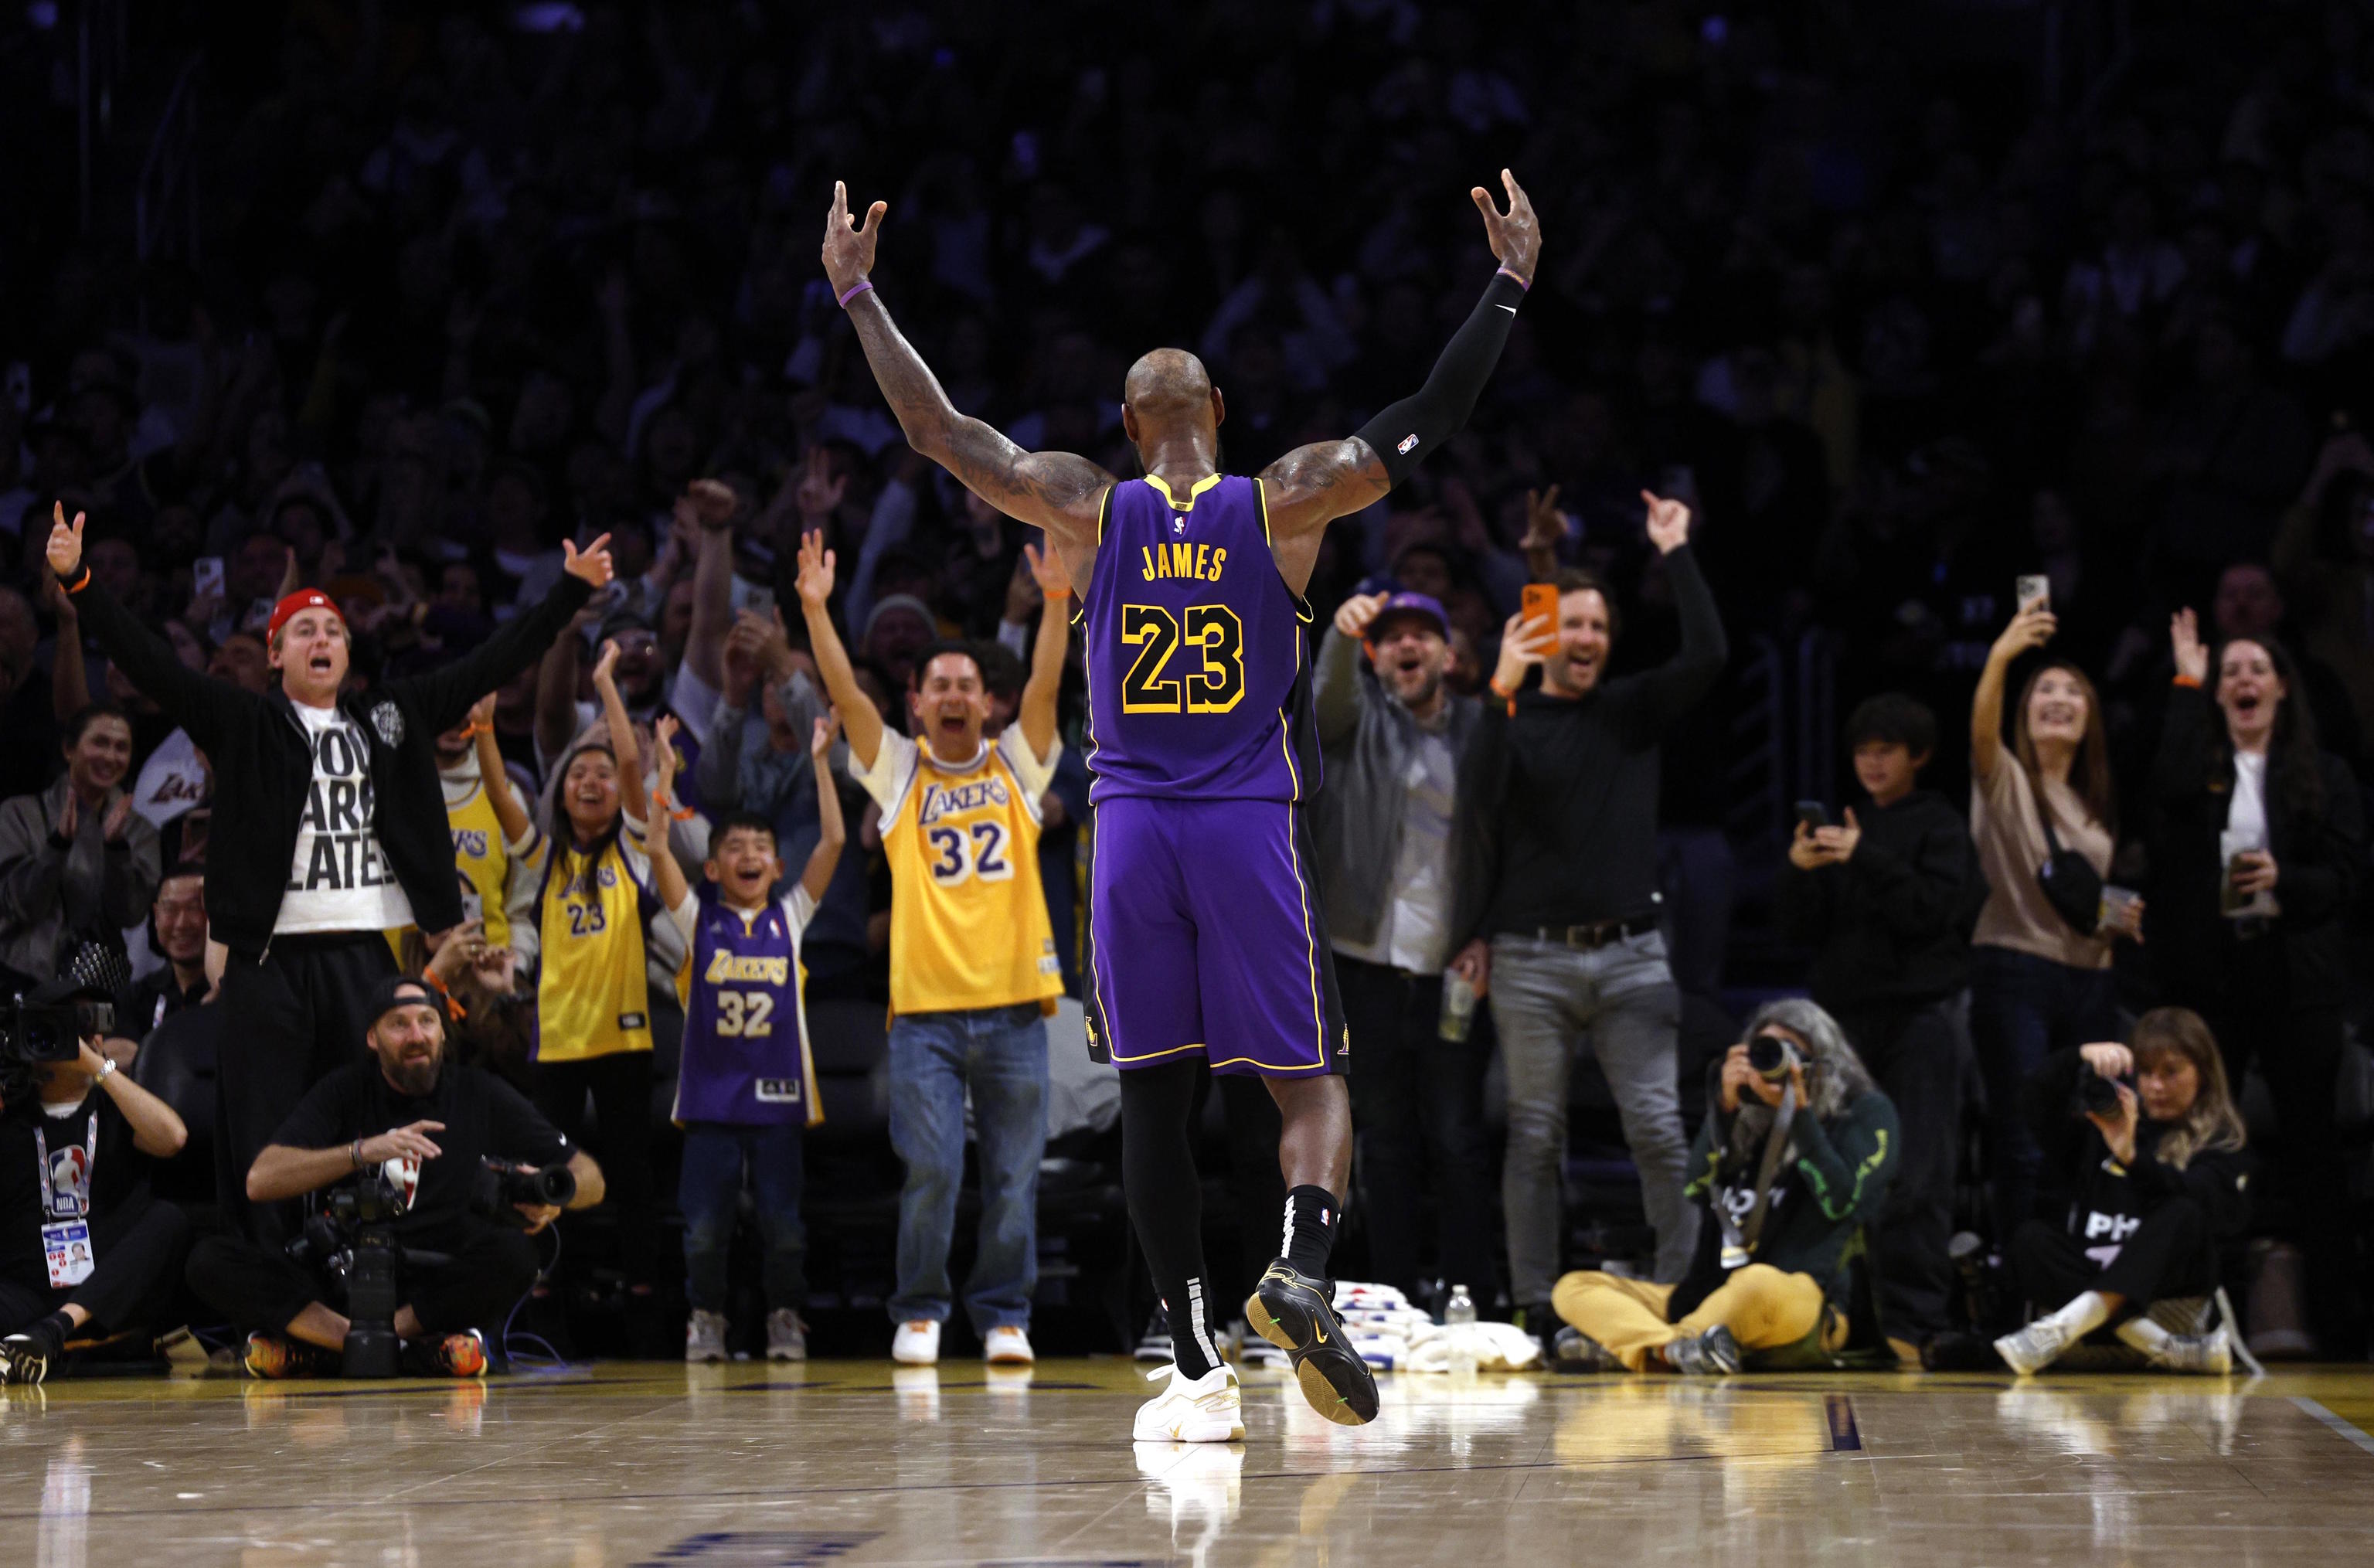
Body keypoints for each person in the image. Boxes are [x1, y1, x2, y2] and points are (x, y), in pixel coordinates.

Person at [821, 166, 1539, 1440]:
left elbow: (936, 430)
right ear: (1219, 408)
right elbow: (1429, 412)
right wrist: (1506, 284)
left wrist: (860, 292)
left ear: (1126, 420)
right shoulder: (1289, 496)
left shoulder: (1083, 503)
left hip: (1131, 832)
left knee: (1154, 1092)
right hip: (1248, 822)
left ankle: (1194, 1358)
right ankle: (1302, 1266)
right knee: (1310, 1085)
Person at [43, 504, 614, 1243]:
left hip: (362, 956)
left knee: (380, 1123)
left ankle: (382, 1279)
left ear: (348, 656)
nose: (322, 637)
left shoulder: (391, 715)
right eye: (303, 630)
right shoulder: (243, 720)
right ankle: (276, 1300)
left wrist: (569, 592)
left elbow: (494, 661)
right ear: (274, 656)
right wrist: (80, 582)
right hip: (267, 959)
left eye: (334, 630)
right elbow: (152, 661)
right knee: (266, 1135)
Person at [794, 530, 1067, 1368]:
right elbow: (844, 690)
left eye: (966, 686)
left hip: (1019, 1010)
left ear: (988, 702)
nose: (952, 696)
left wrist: (1056, 604)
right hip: (924, 1019)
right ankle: (919, 1308)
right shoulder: (901, 771)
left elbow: (1049, 687)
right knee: (934, 1175)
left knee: (1017, 1181)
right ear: (917, 702)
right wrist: (814, 606)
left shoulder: (1021, 764)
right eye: (938, 685)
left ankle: (1004, 1313)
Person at [1454, 512, 1728, 1335]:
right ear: (1542, 633)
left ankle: (1680, 1295)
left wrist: (1676, 551)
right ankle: (1537, 1302)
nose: (1588, 636)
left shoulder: (1630, 711)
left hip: (1633, 957)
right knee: (1534, 1135)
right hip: (1531, 961)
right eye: (1572, 622)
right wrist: (1501, 687)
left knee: (1656, 1129)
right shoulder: (1508, 719)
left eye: (1599, 625)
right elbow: (1475, 802)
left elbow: (1709, 655)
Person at [185, 974, 605, 1378]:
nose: (416, 1035)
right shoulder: (344, 1090)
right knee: (210, 1260)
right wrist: (361, 1151)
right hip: (345, 1280)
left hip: (435, 1290)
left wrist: (553, 1201)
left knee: (516, 1254)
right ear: (373, 1038)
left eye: (427, 1021)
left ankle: (348, 1349)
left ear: (443, 1032)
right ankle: (386, 1349)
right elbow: (261, 1180)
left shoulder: (479, 1091)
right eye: (399, 1025)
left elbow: (590, 1178)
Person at [2144, 611, 2365, 1356]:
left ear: (2280, 689)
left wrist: (2286, 879)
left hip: (2297, 980)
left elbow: (2348, 877)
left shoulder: (2324, 773)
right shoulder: (2200, 768)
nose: (2242, 680)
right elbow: (2164, 784)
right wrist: (2184, 676)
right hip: (2217, 982)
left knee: (2313, 1151)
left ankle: (2336, 1324)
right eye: (2229, 671)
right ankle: (2198, 1320)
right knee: (2208, 1146)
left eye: (2255, 670)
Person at [1774, 692, 1979, 1352]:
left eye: (1886, 749)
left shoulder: (1939, 823)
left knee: (1918, 1169)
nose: (1871, 761)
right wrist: (1800, 873)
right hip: (1845, 1024)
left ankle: (1913, 1321)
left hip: (1920, 1016)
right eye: (1863, 750)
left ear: (1917, 755)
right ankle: (1838, 1311)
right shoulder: (1841, 827)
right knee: (1834, 1168)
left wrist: (1866, 857)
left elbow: (1937, 912)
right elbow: (1802, 932)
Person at [1312, 588, 1495, 1307]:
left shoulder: (1481, 731)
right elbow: (1327, 700)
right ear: (1374, 655)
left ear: (1450, 656)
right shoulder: (1356, 721)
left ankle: (1469, 1293)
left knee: (1457, 1137)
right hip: (1368, 961)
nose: (1407, 646)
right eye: (1392, 637)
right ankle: (1392, 1298)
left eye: (1424, 635)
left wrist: (1488, 932)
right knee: (1383, 1140)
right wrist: (1337, 632)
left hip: (1454, 963)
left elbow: (1507, 840)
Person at [1552, 1000, 1900, 1375]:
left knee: (1755, 1283)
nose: (1774, 1065)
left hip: (1800, 1301)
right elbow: (1695, 1188)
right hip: (1708, 1296)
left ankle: (1643, 1343)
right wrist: (1724, 1110)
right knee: (1574, 1287)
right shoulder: (1746, 1119)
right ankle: (1674, 1349)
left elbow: (1841, 1200)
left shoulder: (1862, 1114)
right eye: (1762, 1053)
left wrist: (1798, 1115)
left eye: (1790, 1052)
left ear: (1823, 1061)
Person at [648, 715, 845, 1364]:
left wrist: (820, 761)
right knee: (705, 1233)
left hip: (779, 1104)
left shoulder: (790, 916)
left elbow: (835, 840)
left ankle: (784, 1316)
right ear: (713, 864)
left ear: (777, 863)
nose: (750, 855)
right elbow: (655, 854)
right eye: (735, 846)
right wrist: (665, 780)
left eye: (761, 846)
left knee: (783, 1230)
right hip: (709, 1105)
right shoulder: (697, 920)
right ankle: (706, 1316)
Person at [1967, 601, 2140, 1241]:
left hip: (2092, 979)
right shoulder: (2005, 777)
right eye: (2045, 690)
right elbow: (1982, 728)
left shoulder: (2094, 802)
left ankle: (2070, 1290)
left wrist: (2117, 919)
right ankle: (2020, 1300)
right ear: (2024, 708)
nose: (2059, 699)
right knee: (2023, 1142)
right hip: (2015, 972)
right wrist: (2004, 653)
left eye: (2073, 691)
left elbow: (2084, 898)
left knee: (2083, 1140)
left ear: (2092, 714)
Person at [510, 641, 675, 1308]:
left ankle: (643, 1286)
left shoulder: (636, 849)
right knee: (552, 1171)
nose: (590, 781)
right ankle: (548, 1282)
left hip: (624, 1036)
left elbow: (633, 760)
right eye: (578, 771)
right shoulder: (545, 859)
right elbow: (501, 796)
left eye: (602, 773)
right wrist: (492, 733)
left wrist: (606, 684)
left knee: (632, 1171)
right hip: (555, 1039)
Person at [1994, 1010, 2249, 1375]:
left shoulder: (2223, 1144)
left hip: (2168, 1308)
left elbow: (2201, 1207)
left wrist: (2131, 1157)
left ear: (2204, 1074)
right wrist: (2079, 1055)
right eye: (2146, 1073)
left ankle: (2064, 1327)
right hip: (2106, 1323)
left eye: (2171, 1072)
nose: (2156, 1086)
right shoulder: (2104, 1129)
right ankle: (2161, 1347)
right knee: (2030, 1238)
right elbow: (2033, 1099)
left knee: (2184, 1212)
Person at [0, 1019, 191, 1385]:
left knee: (169, 1221)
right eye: (65, 1030)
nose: (84, 1041)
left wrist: (97, 1066)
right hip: (25, 1288)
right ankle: (36, 1339)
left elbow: (174, 1138)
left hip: (101, 1289)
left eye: (90, 1030)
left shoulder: (117, 1104)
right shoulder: (11, 1109)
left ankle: (54, 1331)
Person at [0, 702, 161, 984]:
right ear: (68, 749)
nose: (111, 756)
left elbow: (129, 914)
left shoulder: (139, 831)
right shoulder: (18, 814)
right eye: (100, 743)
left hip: (96, 982)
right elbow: (24, 905)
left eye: (121, 747)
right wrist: (58, 846)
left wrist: (116, 853)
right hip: (19, 976)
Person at [124, 865, 210, 1036]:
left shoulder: (233, 996)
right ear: (156, 915)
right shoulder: (136, 997)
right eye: (170, 909)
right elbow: (111, 1055)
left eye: (194, 908)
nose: (181, 924)